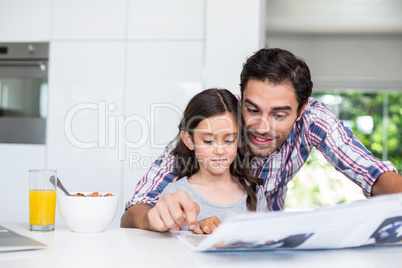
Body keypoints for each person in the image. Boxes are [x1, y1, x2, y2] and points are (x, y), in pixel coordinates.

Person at [121, 48, 402, 232]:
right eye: (252, 109)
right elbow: (135, 210)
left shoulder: (314, 119)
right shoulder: (218, 119)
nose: (262, 127)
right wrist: (151, 218)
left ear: (301, 110)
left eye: (279, 115)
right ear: (242, 96)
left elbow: (372, 172)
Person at [156, 88, 268, 234]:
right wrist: (195, 230)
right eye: (208, 141)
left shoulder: (254, 193)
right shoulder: (175, 194)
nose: (220, 150)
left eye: (229, 140)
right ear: (189, 140)